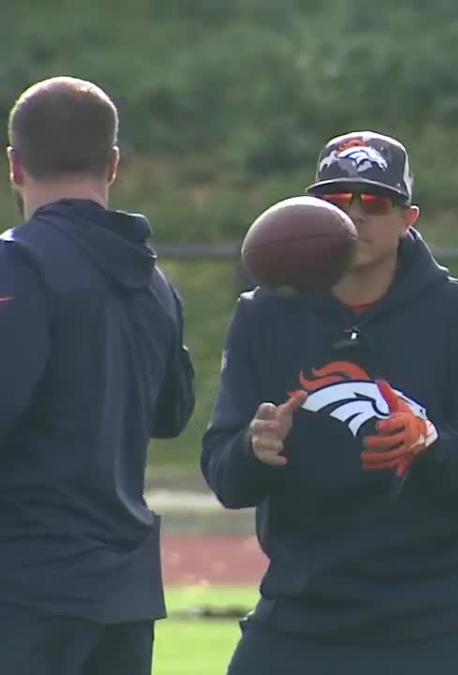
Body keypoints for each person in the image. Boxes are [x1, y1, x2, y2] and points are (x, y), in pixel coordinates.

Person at [202, 131, 458, 674]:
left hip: (441, 616)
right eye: (335, 201)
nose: (354, 215)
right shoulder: (265, 315)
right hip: (303, 611)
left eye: (373, 201)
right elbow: (224, 476)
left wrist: (431, 442)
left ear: (408, 217)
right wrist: (254, 449)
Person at [0, 77, 196, 674]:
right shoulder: (155, 283)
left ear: (15, 165)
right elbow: (173, 413)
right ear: (112, 164)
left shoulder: (17, 261)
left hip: (27, 585)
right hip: (125, 591)